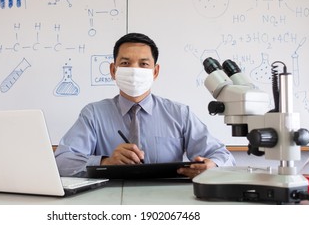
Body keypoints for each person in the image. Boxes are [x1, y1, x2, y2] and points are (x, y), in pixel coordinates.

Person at [55, 32, 235, 178]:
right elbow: (62, 160)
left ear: (155, 71)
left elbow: (224, 156)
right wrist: (105, 162)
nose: (134, 70)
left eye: (143, 64)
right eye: (125, 63)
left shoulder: (180, 113)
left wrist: (212, 165)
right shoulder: (93, 114)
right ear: (113, 70)